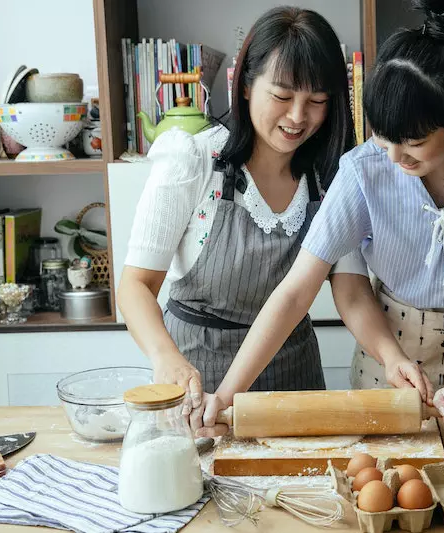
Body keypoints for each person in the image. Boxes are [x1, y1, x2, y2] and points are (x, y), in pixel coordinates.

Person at [198, 0, 444, 434]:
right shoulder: (361, 169)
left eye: (413, 142)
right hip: (390, 355)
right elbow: (295, 292)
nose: (392, 155)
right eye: (382, 135)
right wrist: (225, 395)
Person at [116, 6, 357, 437]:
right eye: (282, 96)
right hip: (198, 385)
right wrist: (166, 358)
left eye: (317, 101)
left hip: (294, 386)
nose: (298, 116)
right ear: (245, 84)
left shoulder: (330, 177)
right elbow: (135, 286)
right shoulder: (192, 161)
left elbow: (350, 289)